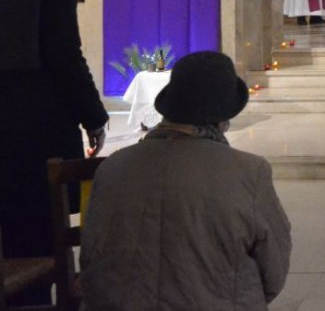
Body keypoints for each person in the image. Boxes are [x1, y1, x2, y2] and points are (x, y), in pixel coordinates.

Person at [81, 51, 292, 310]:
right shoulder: (249, 172)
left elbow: (90, 259)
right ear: (224, 117)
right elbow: (274, 271)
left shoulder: (112, 167)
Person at [0, 0, 108, 305]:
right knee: (38, 226)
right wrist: (93, 116)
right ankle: (35, 299)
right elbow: (64, 56)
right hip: (32, 122)